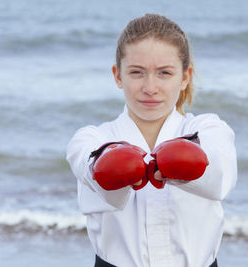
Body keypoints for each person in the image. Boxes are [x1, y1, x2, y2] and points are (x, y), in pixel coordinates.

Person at [66, 14, 237, 267]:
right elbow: (86, 162)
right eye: (137, 72)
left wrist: (177, 163)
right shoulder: (93, 138)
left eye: (164, 73)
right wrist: (111, 164)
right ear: (118, 76)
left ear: (185, 77)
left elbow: (219, 169)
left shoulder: (208, 129)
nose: (150, 87)